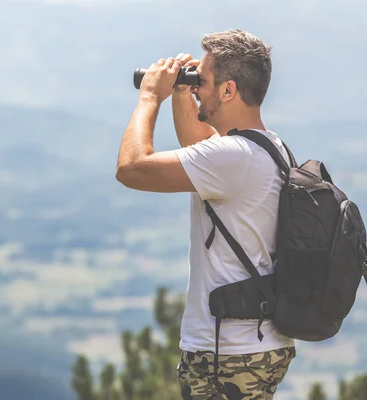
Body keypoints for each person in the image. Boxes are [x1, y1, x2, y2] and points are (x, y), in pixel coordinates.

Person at [115, 29, 296, 399]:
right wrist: (184, 93)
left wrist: (151, 96)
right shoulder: (265, 146)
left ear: (228, 91)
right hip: (256, 341)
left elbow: (131, 168)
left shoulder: (233, 157)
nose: (198, 87)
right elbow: (197, 148)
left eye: (204, 81)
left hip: (227, 351)